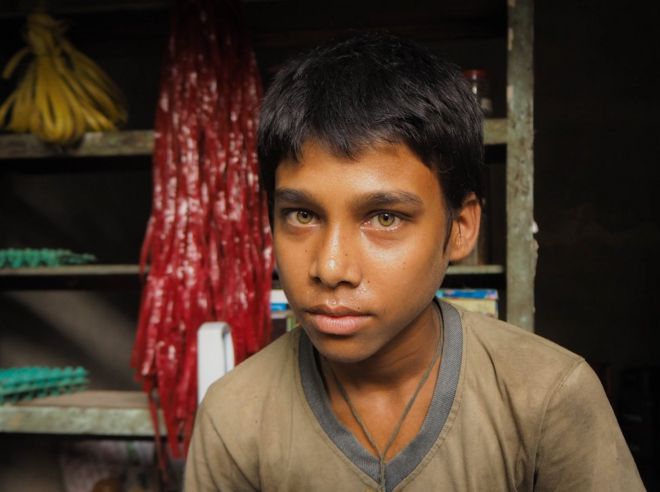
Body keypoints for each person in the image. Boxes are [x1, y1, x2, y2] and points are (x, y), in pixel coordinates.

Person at [184, 33, 643, 491]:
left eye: (385, 217)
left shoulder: (547, 398)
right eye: (302, 215)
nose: (330, 267)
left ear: (460, 228)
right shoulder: (234, 417)